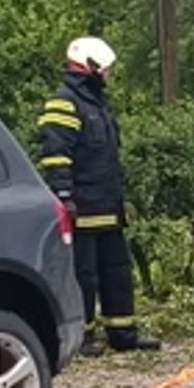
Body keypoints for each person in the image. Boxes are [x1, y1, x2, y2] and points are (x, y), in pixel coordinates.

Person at [37, 36, 161, 357]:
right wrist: (64, 197)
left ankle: (123, 333)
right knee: (83, 275)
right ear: (90, 67)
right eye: (106, 69)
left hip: (108, 205)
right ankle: (83, 335)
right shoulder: (63, 103)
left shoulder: (97, 104)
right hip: (82, 207)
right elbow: (55, 156)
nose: (109, 75)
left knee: (117, 271)